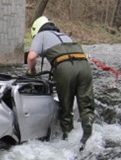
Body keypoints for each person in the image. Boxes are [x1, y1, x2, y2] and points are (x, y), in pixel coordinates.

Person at [26, 16, 95, 149]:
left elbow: (32, 56)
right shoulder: (64, 36)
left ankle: (67, 137)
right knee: (85, 104)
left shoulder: (41, 35)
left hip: (65, 69)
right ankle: (87, 124)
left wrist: (31, 71)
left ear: (36, 30)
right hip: (84, 66)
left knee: (66, 105)